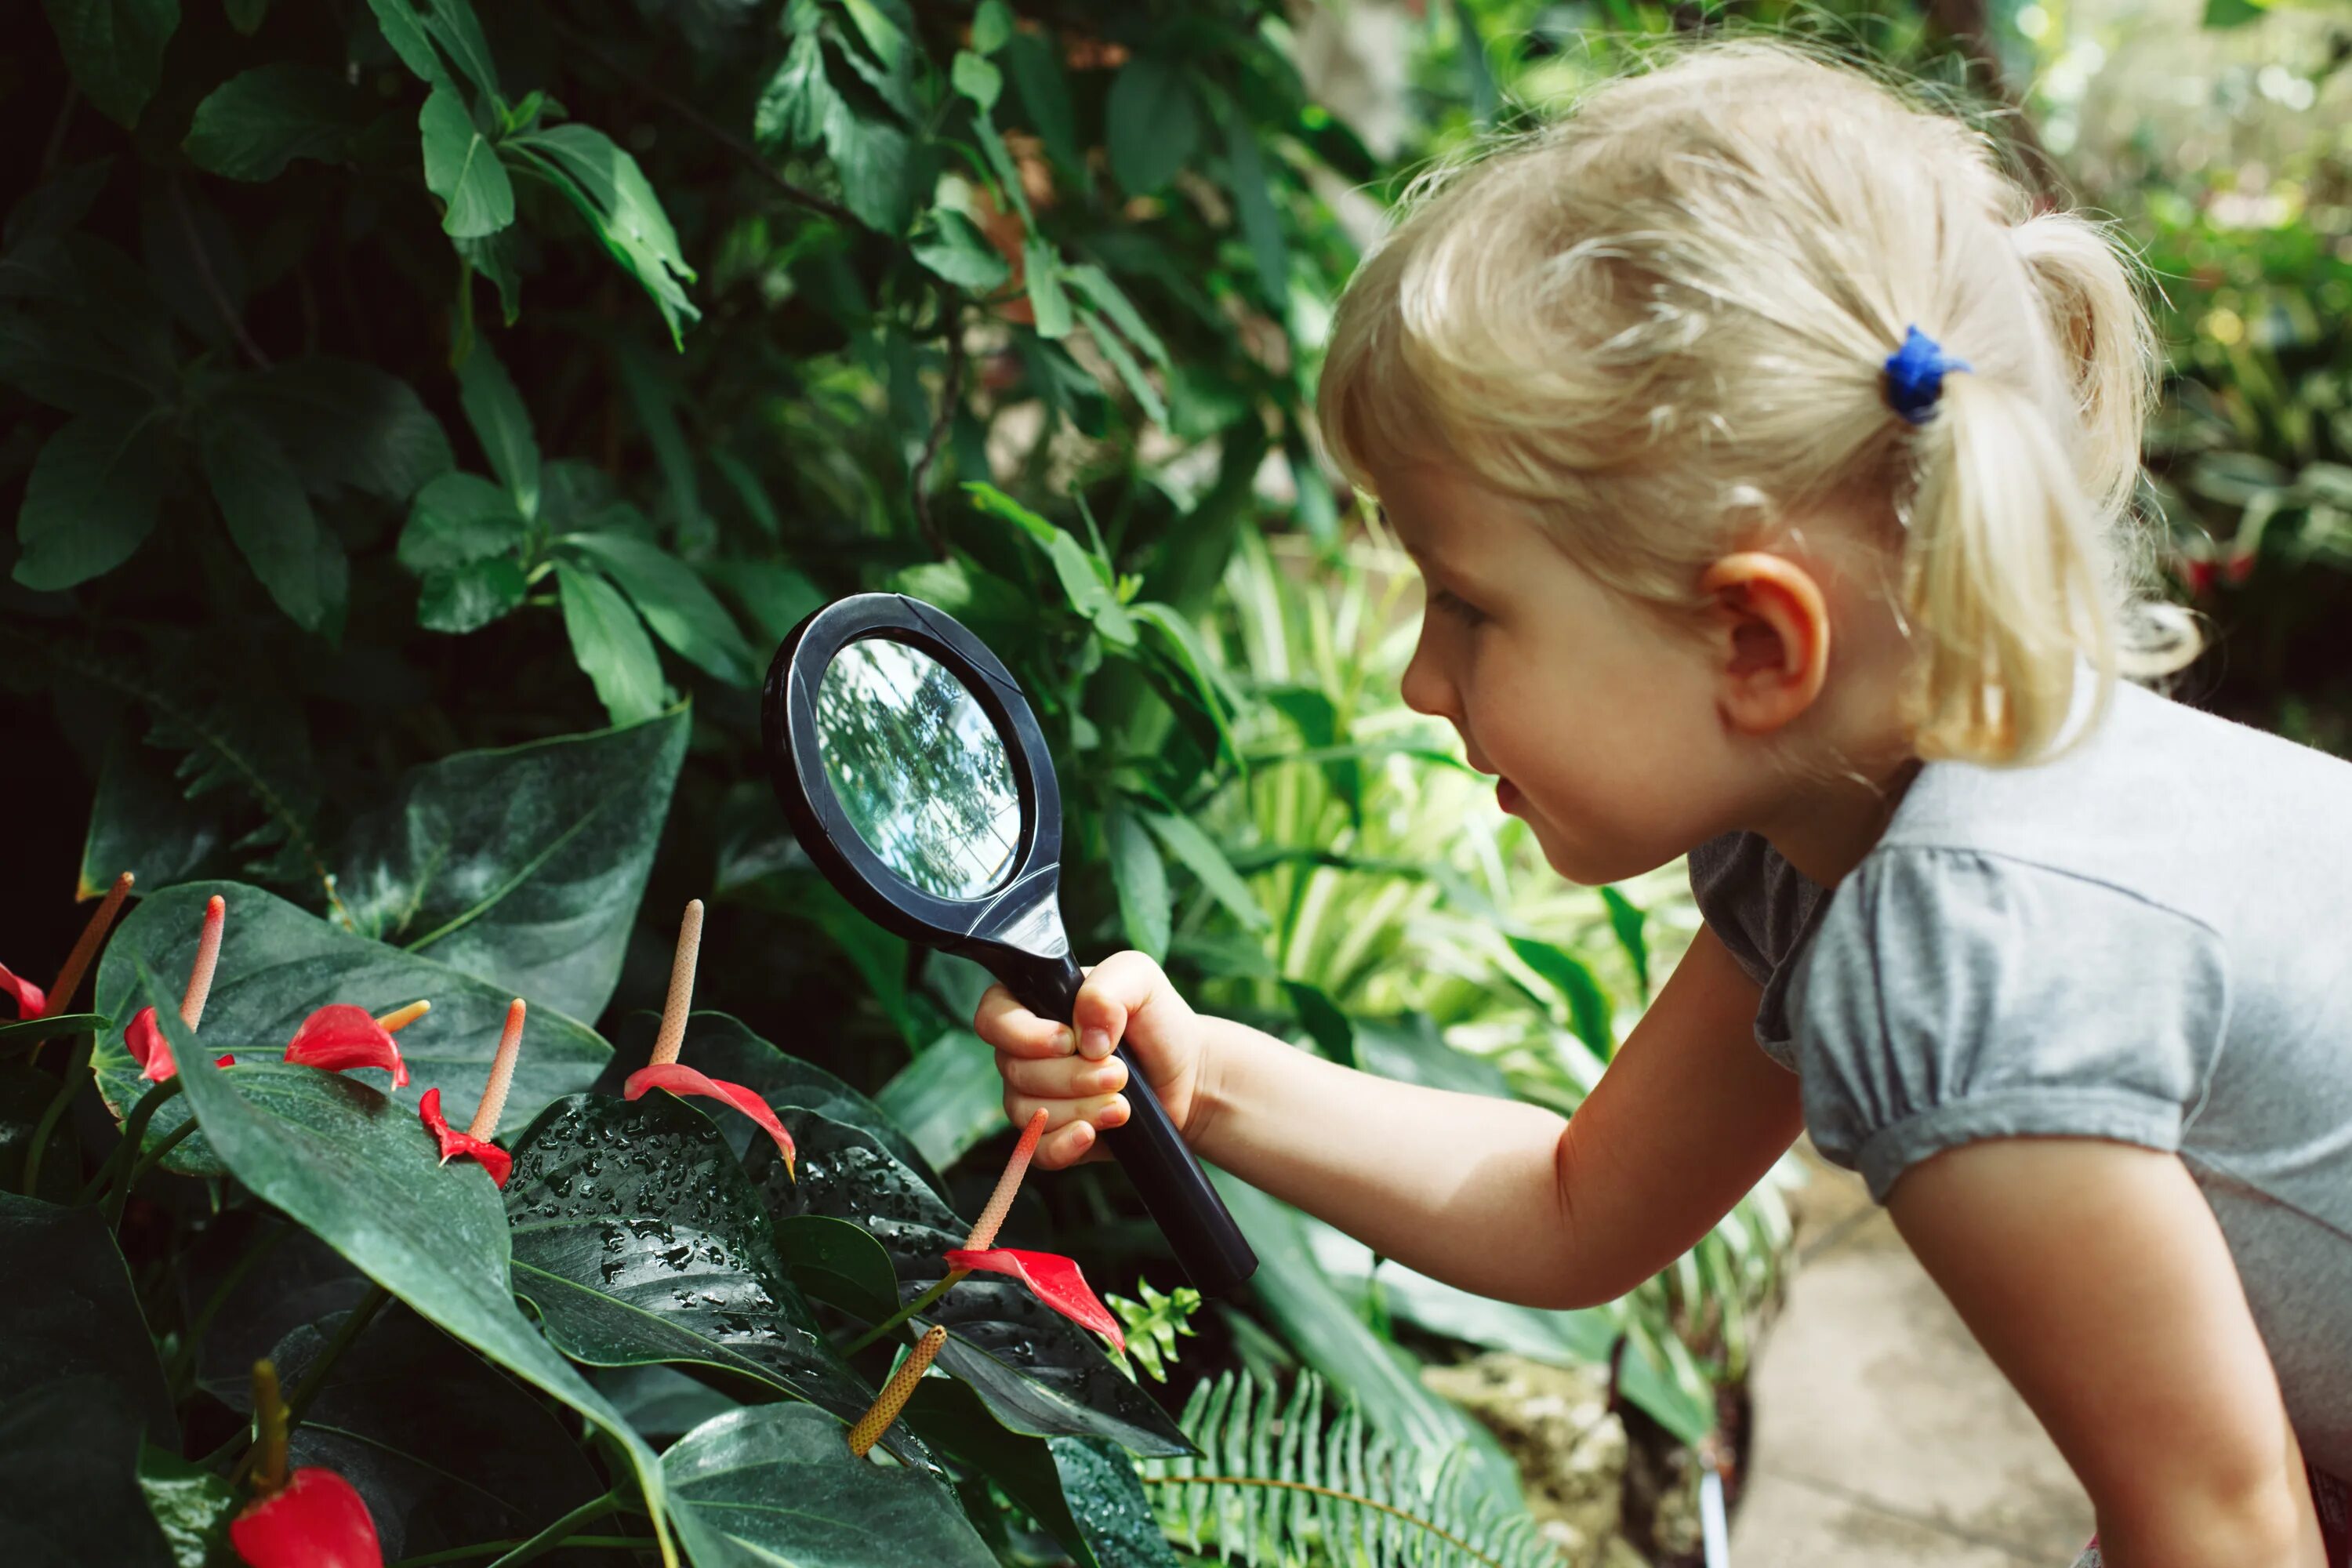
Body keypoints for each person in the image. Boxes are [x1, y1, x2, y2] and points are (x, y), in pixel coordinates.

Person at [974, 39, 2352, 1568]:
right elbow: (1576, 1205)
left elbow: (2225, 1527)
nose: (1425, 681)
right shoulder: (1859, 839)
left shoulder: (1972, 953)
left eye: (1470, 607)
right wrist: (1204, 1075)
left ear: (1759, 643)